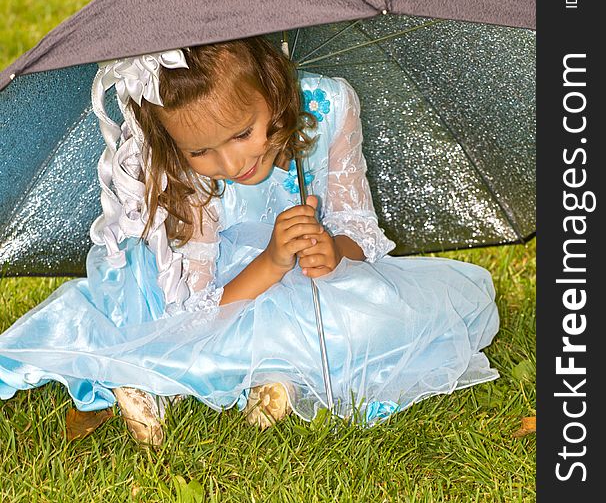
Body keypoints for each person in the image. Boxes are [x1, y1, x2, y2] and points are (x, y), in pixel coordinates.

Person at [0, 36, 500, 445]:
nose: (231, 164)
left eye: (242, 134)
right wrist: (272, 260)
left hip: (309, 281)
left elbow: (358, 227)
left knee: (399, 312)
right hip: (224, 287)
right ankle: (162, 381)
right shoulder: (188, 173)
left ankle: (266, 379)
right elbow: (201, 305)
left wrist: (334, 250)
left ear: (274, 92)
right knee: (170, 321)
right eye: (202, 151)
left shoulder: (330, 104)